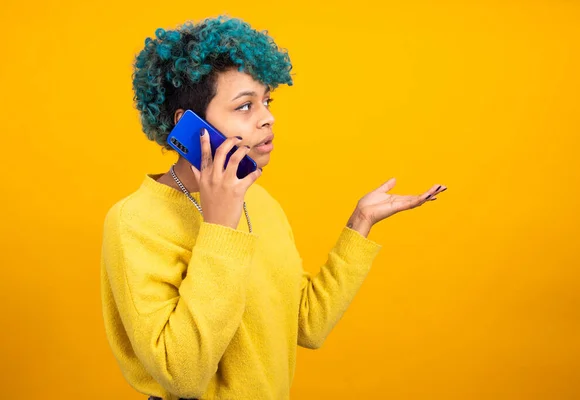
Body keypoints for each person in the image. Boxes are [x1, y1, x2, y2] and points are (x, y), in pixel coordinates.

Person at [100, 15, 447, 400]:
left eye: (266, 100)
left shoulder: (259, 201)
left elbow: (306, 324)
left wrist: (360, 223)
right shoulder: (135, 221)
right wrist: (219, 228)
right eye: (245, 106)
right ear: (190, 125)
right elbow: (182, 375)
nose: (268, 117)